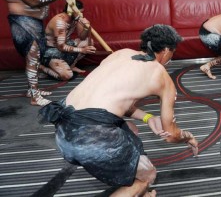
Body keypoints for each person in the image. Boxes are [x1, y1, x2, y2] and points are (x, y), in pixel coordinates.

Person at [38, 24, 198, 197]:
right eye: (173, 52)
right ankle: (138, 188)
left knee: (131, 129)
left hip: (63, 130)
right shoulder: (161, 75)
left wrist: (147, 117)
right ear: (166, 50)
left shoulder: (120, 54)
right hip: (91, 139)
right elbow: (171, 135)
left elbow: (111, 102)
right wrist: (187, 136)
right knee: (146, 176)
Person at [0, 0, 71, 106]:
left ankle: (31, 90)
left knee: (35, 57)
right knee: (33, 56)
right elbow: (33, 1)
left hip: (35, 22)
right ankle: (35, 96)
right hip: (24, 23)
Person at [42, 0, 96, 80]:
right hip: (52, 52)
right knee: (67, 75)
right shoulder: (59, 22)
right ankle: (42, 68)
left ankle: (71, 66)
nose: (81, 15)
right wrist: (82, 50)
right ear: (71, 11)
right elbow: (61, 47)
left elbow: (82, 37)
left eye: (82, 12)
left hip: (66, 47)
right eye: (79, 12)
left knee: (89, 42)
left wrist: (85, 27)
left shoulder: (74, 18)